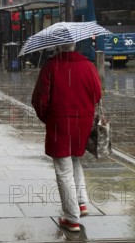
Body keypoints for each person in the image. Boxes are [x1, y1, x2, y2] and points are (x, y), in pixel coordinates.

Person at [31, 42, 102, 232]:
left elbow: (40, 98)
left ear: (57, 47)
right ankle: (81, 202)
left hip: (60, 122)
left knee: (63, 169)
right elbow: (97, 94)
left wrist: (48, 117)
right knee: (75, 159)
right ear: (74, 45)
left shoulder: (51, 66)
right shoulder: (88, 65)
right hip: (83, 122)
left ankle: (71, 218)